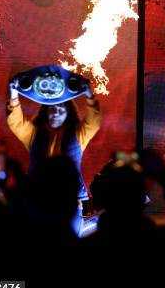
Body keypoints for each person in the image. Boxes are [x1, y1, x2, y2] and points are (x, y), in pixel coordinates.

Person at [6, 77, 101, 206]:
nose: (56, 113)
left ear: (68, 113)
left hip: (69, 200)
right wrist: (14, 93)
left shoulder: (78, 135)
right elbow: (16, 122)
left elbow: (94, 121)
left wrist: (89, 94)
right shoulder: (34, 134)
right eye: (52, 109)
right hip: (39, 198)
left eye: (61, 110)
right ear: (46, 112)